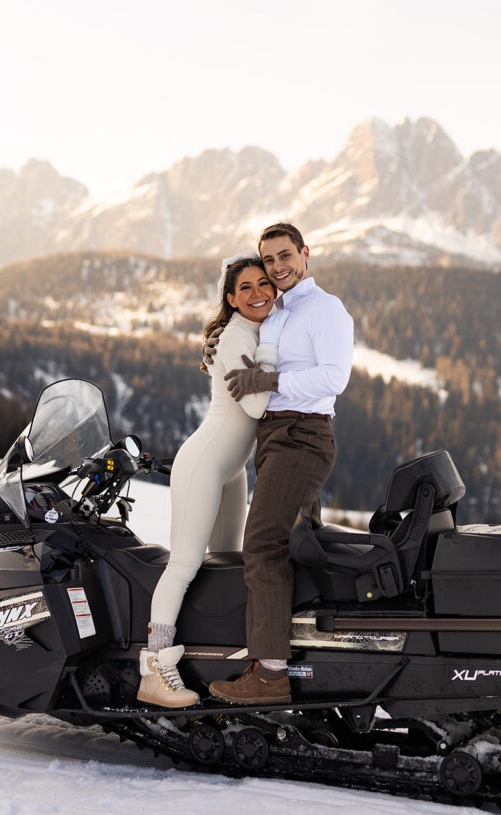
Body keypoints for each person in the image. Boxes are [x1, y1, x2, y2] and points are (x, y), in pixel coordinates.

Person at [207, 222, 354, 706]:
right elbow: (246, 342)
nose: (278, 267)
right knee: (298, 545)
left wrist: (269, 384)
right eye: (269, 260)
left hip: (302, 436)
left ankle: (269, 675)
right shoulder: (278, 311)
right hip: (275, 437)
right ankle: (315, 656)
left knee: (262, 543)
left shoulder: (324, 308)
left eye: (285, 256)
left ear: (305, 254)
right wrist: (215, 346)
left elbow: (334, 377)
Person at [138, 254, 287, 707]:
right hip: (204, 462)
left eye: (264, 282)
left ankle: (213, 656)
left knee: (229, 565)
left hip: (231, 469)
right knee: (184, 564)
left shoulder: (258, 328)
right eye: (246, 287)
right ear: (230, 298)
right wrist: (268, 357)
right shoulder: (239, 336)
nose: (259, 292)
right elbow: (257, 407)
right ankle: (155, 668)